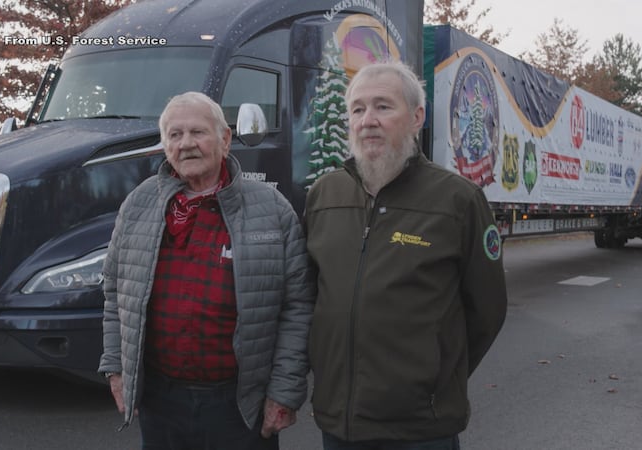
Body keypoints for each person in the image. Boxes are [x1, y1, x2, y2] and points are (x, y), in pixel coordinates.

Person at [304, 61, 508, 449]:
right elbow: (310, 298)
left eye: (383, 106)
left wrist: (435, 381)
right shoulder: (324, 196)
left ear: (416, 118)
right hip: (338, 423)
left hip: (420, 429)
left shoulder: (458, 200)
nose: (368, 121)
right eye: (358, 109)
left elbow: (488, 310)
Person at [98, 91, 315, 449]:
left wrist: (285, 391)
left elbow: (298, 306)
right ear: (165, 144)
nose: (186, 144)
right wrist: (117, 371)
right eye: (175, 135)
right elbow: (113, 295)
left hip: (241, 404)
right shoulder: (139, 203)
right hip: (161, 402)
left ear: (225, 139)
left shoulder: (271, 208)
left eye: (198, 132)